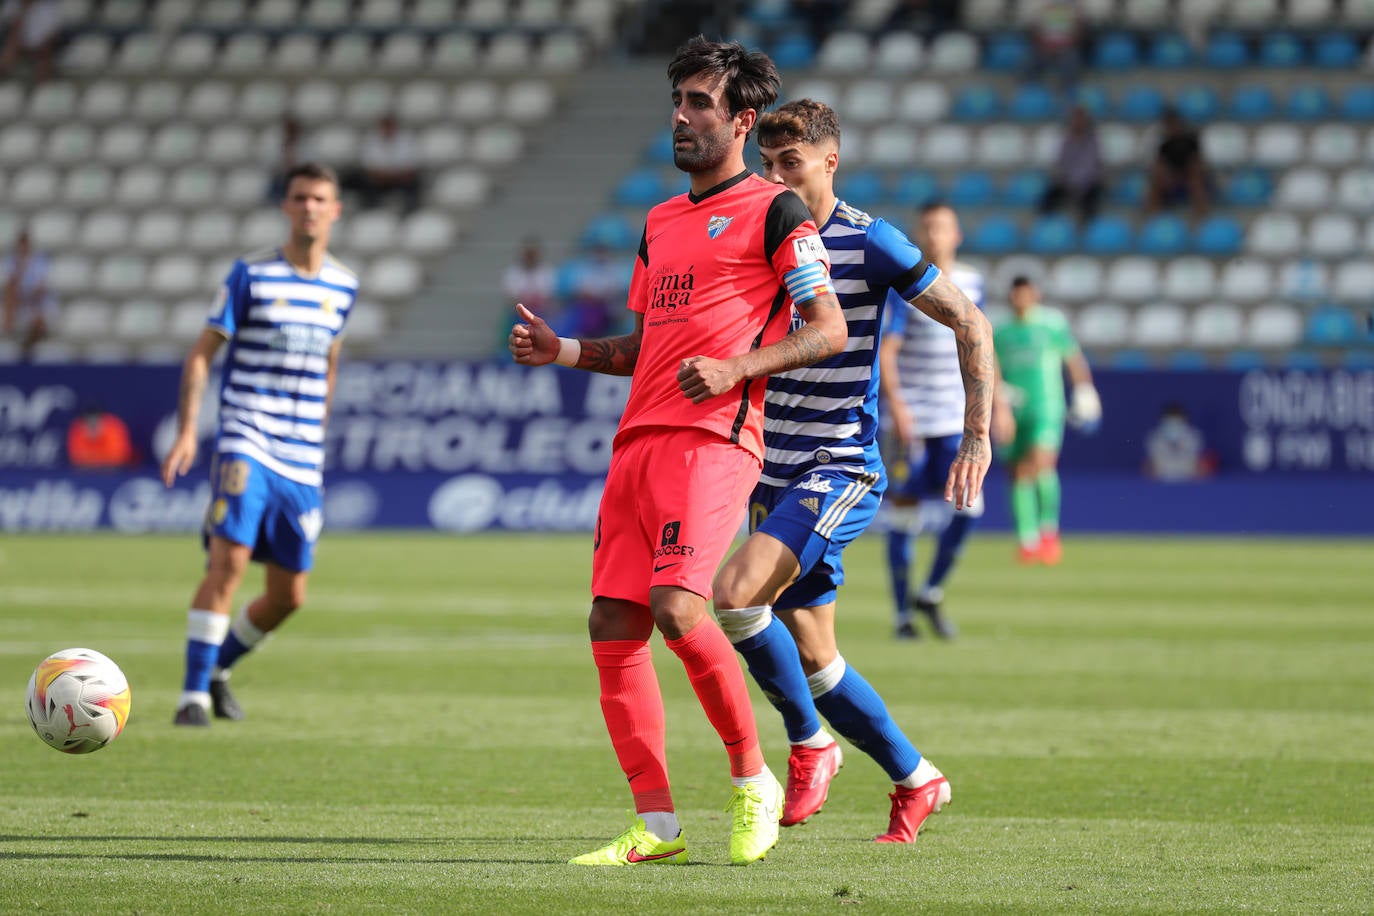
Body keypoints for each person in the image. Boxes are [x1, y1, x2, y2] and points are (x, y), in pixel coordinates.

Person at [509, 37, 848, 867]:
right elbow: (648, 344)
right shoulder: (660, 221)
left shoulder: (778, 211)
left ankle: (753, 780)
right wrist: (563, 352)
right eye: (679, 101)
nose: (682, 116)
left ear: (742, 119)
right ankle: (654, 825)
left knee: (678, 609)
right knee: (611, 621)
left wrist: (737, 367)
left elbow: (829, 329)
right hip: (638, 440)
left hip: (716, 439)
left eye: (700, 103)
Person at [710, 100, 993, 844]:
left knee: (736, 598)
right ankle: (916, 776)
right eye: (766, 164)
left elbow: (971, 320)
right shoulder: (754, 234)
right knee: (813, 652)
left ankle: (810, 744)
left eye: (791, 164)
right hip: (769, 465)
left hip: (837, 464)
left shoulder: (871, 242)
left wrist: (976, 437)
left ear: (829, 163)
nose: (775, 177)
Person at [161, 163, 358, 727]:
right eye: (300, 198)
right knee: (229, 562)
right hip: (246, 438)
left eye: (320, 198)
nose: (310, 208)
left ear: (335, 209)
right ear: (286, 207)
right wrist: (186, 432)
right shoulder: (251, 274)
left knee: (288, 597)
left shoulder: (343, 286)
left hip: (301, 456)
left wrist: (318, 430)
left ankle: (217, 669)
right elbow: (203, 353)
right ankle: (192, 697)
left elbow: (330, 361)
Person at [879, 202, 1010, 641]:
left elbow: (983, 344)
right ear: (919, 233)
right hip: (914, 420)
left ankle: (931, 590)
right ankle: (902, 615)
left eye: (943, 227)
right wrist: (897, 407)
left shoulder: (971, 282)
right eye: (928, 227)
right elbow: (888, 352)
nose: (935, 234)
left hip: (955, 419)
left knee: (970, 507)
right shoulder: (905, 285)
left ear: (957, 235)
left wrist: (1000, 405)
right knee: (904, 514)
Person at [993, 276, 1099, 565]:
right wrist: (998, 392)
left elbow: (1073, 358)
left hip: (1046, 405)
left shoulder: (1051, 323)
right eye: (1016, 294)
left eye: (1026, 293)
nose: (1021, 299)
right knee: (1017, 472)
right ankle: (1027, 540)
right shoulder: (1001, 331)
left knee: (1040, 463)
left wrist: (1083, 387)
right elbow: (992, 366)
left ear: (1035, 294)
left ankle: (1049, 532)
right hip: (1014, 409)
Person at [1039, 105, 1105, 224]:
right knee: (1048, 196)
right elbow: (1062, 163)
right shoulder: (1065, 141)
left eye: (1080, 120)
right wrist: (1067, 181)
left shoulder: (1093, 142)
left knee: (1090, 199)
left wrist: (1079, 184)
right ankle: (1046, 225)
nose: (1077, 123)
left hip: (1087, 183)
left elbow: (1091, 166)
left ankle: (1087, 227)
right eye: (1075, 120)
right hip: (1068, 181)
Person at [1, 227, 56, 359]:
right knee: (10, 302)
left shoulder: (40, 261)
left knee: (37, 317)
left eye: (25, 244)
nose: (23, 247)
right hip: (19, 304)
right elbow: (9, 287)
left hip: (36, 304)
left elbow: (41, 288)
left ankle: (28, 347)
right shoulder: (10, 261)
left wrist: (25, 293)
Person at [1145, 107, 1210, 219]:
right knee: (1156, 181)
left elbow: (1197, 162)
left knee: (1195, 181)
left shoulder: (1191, 141)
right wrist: (1169, 177)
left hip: (1190, 177)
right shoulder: (1165, 145)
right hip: (1172, 179)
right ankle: (1153, 217)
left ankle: (1202, 216)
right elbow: (1160, 165)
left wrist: (1186, 176)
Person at [352, 113, 422, 213]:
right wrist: (385, 175)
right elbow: (368, 168)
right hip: (379, 180)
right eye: (385, 126)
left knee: (415, 184)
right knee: (361, 181)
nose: (388, 130)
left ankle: (411, 212)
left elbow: (412, 167)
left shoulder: (407, 141)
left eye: (390, 126)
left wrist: (393, 176)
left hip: (402, 180)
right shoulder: (371, 141)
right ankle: (370, 211)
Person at [1144, 401, 1214, 481]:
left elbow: (1196, 457)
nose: (1173, 424)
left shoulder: (1195, 436)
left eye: (1177, 420)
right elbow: (1153, 460)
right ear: (1162, 420)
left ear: (1185, 420)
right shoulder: (1154, 437)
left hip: (1190, 473)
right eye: (1169, 420)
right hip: (1161, 473)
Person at [0, 0, 60, 82]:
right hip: (19, 49)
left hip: (40, 51)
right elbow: (10, 34)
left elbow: (49, 40)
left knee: (43, 59)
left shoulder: (47, 9)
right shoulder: (10, 6)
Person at [67, 402, 136, 469]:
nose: (92, 424)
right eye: (89, 422)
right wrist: (89, 440)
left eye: (96, 421)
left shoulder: (113, 427)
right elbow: (76, 458)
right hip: (86, 474)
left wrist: (100, 438)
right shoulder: (78, 429)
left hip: (115, 474)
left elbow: (118, 457)